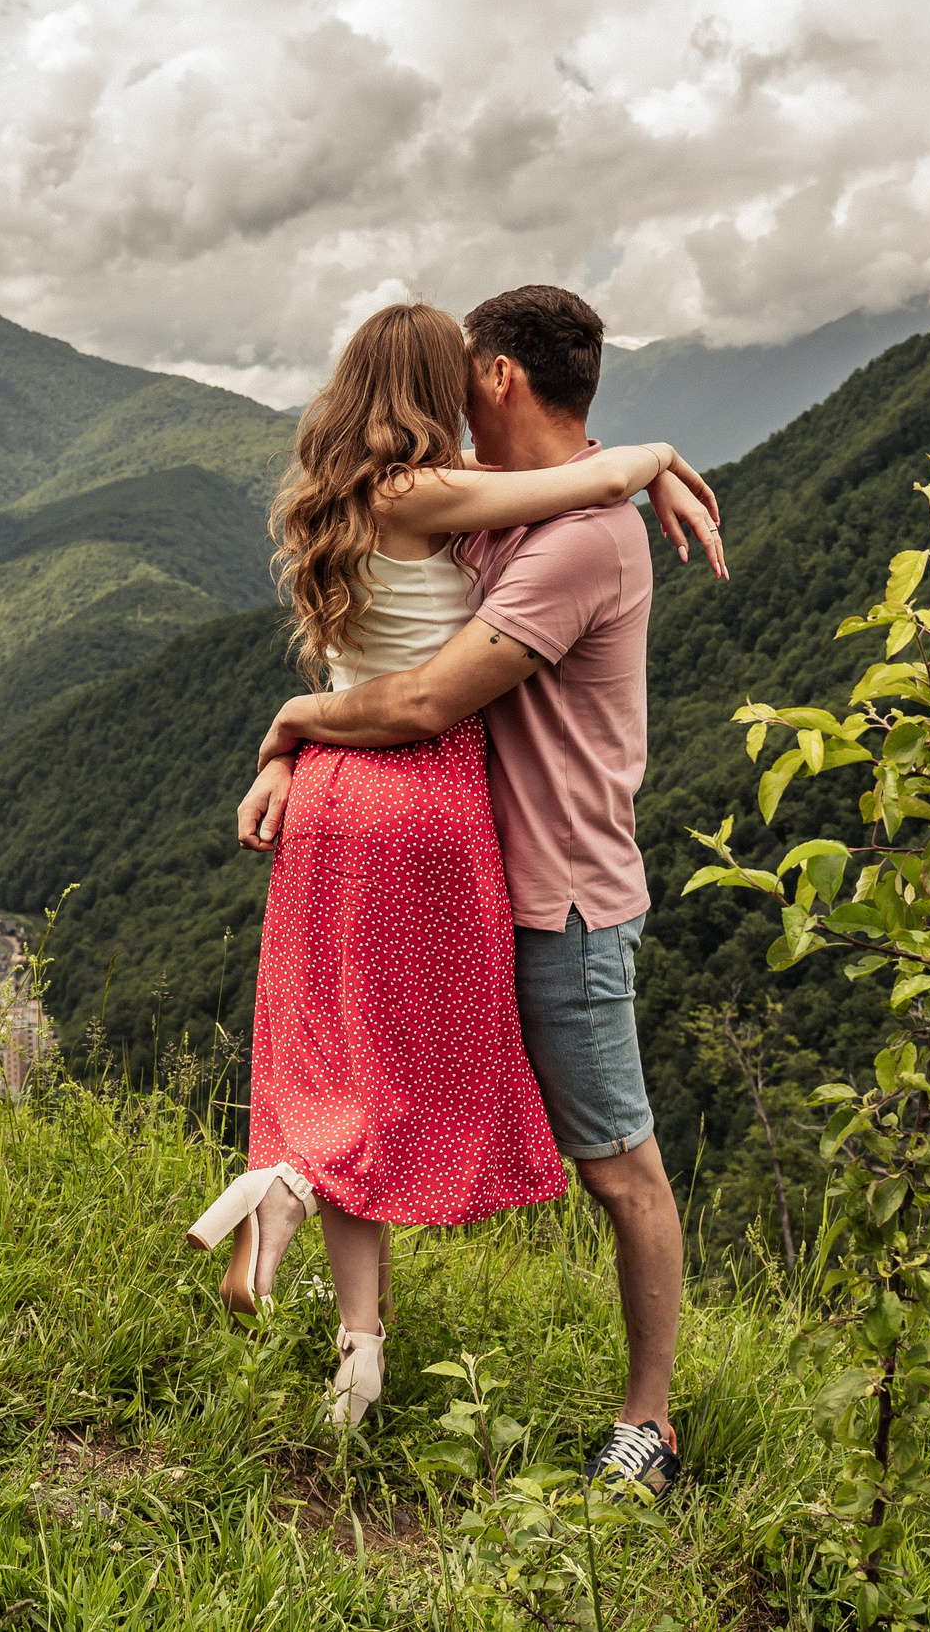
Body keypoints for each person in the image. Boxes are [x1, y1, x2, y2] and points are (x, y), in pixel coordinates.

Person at [186, 299, 723, 1436]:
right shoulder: (474, 508)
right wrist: (652, 458)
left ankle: (646, 1423)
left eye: (464, 382)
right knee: (389, 1088)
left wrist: (295, 724)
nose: (451, 409)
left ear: (495, 375)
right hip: (452, 858)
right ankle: (350, 1315)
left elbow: (428, 692)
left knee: (611, 1162)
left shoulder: (572, 533)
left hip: (557, 896)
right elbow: (405, 667)